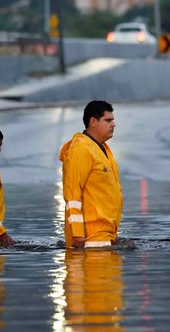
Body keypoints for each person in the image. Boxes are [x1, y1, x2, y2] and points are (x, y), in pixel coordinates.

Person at [59, 100, 122, 248]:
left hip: (103, 236)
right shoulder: (81, 149)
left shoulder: (101, 149)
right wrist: (78, 234)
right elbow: (73, 194)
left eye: (112, 120)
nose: (113, 124)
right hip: (89, 240)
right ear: (93, 121)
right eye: (108, 120)